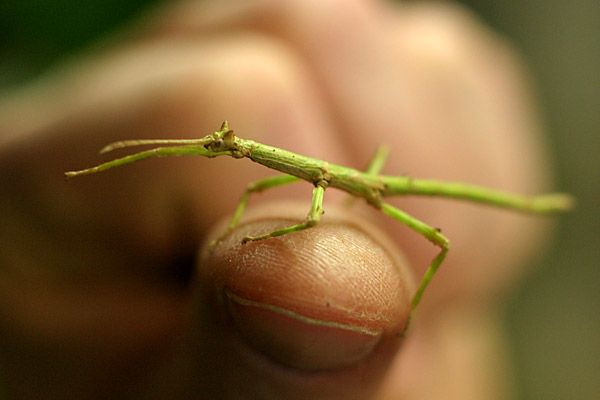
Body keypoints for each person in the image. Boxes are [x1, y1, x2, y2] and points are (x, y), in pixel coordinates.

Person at [0, 0, 556, 398]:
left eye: (227, 143)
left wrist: (272, 234)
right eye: (226, 145)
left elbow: (310, 222)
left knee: (438, 241)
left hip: (385, 191)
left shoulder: (317, 189)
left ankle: (512, 225)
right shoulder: (269, 170)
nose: (223, 148)